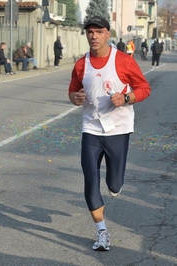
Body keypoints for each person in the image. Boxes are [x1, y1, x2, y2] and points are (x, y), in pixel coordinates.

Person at [68, 16, 151, 252]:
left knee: (114, 184)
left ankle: (114, 184)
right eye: (90, 32)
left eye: (99, 32)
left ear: (108, 33)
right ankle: (101, 232)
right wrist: (74, 98)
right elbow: (73, 90)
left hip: (118, 129)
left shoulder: (123, 61)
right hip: (91, 128)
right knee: (90, 180)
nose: (94, 36)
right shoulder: (81, 64)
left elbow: (144, 88)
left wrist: (126, 98)